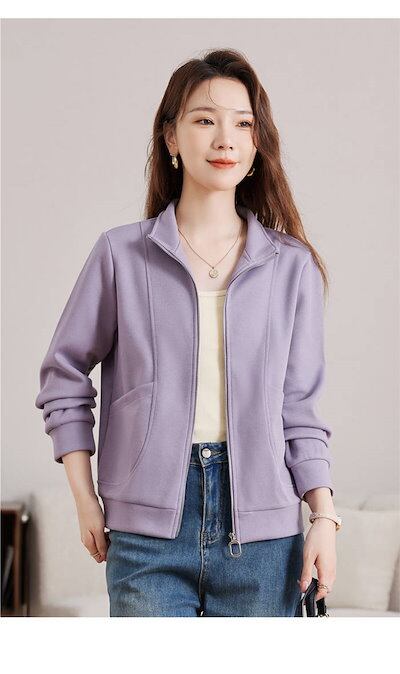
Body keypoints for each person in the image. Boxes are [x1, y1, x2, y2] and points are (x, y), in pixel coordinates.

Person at [35, 48, 341, 617]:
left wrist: (322, 515)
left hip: (264, 540)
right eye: (205, 120)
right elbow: (63, 377)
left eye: (242, 124)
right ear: (171, 138)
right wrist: (85, 499)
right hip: (147, 537)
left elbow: (299, 406)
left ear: (257, 145)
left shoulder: (291, 266)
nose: (225, 138)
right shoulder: (121, 255)